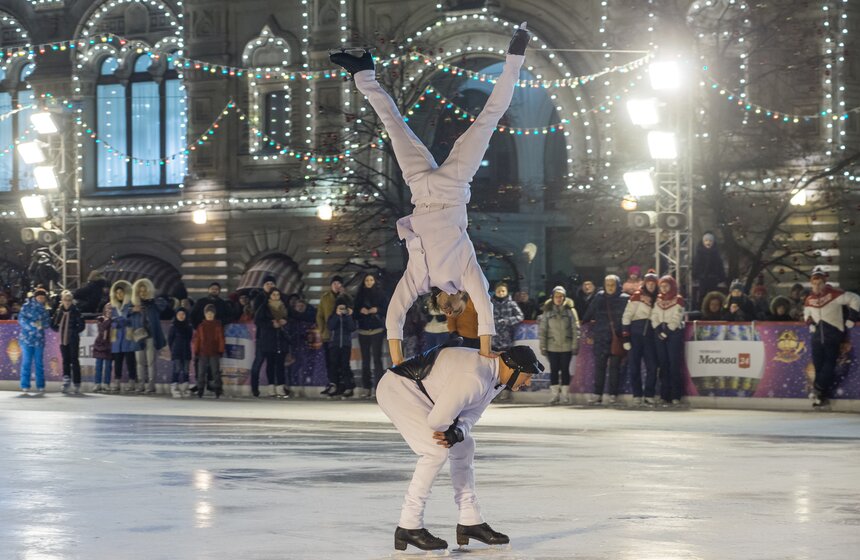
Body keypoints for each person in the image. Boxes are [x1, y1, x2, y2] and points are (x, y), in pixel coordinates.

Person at [331, 23, 531, 366]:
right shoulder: (469, 274)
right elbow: (486, 312)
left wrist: (396, 364)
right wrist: (485, 355)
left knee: (394, 127)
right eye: (455, 311)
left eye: (444, 312)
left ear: (439, 306)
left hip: (420, 191)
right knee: (486, 120)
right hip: (453, 188)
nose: (448, 310)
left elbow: (394, 315)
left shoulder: (419, 280)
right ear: (461, 304)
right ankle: (515, 56)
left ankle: (364, 72)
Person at [376, 343, 544, 552]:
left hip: (421, 393)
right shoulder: (474, 377)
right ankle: (409, 525)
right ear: (512, 368)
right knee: (434, 451)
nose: (528, 382)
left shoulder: (497, 378)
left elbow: (473, 412)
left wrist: (459, 432)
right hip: (398, 389)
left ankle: (470, 520)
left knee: (465, 446)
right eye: (527, 375)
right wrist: (451, 432)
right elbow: (437, 421)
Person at [803, 267, 860, 408]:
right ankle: (821, 397)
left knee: (829, 365)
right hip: (816, 338)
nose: (817, 285)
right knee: (819, 367)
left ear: (824, 282)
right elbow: (806, 312)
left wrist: (852, 318)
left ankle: (818, 389)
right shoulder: (809, 298)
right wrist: (810, 323)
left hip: (832, 335)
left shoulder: (834, 294)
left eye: (819, 282)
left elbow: (855, 299)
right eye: (814, 283)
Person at [581, 275, 629, 405]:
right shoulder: (599, 297)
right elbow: (588, 314)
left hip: (616, 338)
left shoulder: (625, 299)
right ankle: (598, 394)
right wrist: (585, 326)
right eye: (608, 285)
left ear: (618, 285)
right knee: (599, 367)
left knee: (614, 368)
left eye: (613, 284)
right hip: (601, 337)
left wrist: (626, 336)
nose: (610, 287)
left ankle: (613, 394)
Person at [621, 271, 659, 406]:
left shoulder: (659, 298)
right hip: (635, 334)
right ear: (645, 284)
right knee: (634, 366)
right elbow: (626, 316)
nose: (651, 286)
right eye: (648, 283)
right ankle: (637, 394)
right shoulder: (637, 296)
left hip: (650, 336)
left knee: (652, 367)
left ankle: (649, 393)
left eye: (653, 283)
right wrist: (625, 337)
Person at [539, 286, 579, 405]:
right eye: (556, 296)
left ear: (564, 298)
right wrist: (543, 346)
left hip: (566, 345)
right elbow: (543, 330)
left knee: (565, 370)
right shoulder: (547, 311)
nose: (559, 298)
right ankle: (555, 395)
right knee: (554, 370)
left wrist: (575, 344)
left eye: (561, 296)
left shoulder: (570, 310)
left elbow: (575, 329)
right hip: (552, 346)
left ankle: (565, 395)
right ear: (552, 297)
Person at [129, 278, 168, 394]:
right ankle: (141, 384)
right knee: (139, 361)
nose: (142, 293)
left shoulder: (155, 303)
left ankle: (150, 385)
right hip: (138, 336)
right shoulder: (133, 305)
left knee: (150, 361)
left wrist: (152, 299)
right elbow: (126, 315)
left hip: (151, 336)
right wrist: (133, 310)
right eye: (140, 291)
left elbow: (165, 305)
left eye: (144, 291)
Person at [652, 275, 686, 407]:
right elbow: (654, 315)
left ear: (672, 286)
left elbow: (677, 317)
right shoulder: (658, 299)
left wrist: (667, 332)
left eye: (667, 285)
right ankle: (664, 395)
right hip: (660, 332)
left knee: (674, 365)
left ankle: (676, 395)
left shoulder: (678, 299)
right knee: (663, 365)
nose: (664, 288)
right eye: (662, 286)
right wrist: (657, 330)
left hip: (673, 333)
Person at [353, 273, 387, 398]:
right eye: (367, 280)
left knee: (377, 360)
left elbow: (386, 309)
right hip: (363, 330)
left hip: (377, 330)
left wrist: (376, 310)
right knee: (365, 361)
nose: (369, 282)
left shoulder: (381, 294)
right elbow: (354, 314)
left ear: (374, 281)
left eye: (371, 280)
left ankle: (378, 388)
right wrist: (360, 311)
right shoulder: (359, 295)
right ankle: (366, 388)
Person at [317, 275, 352, 395]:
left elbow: (353, 311)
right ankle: (333, 384)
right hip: (329, 335)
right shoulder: (325, 298)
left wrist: (346, 298)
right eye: (334, 283)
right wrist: (322, 330)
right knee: (331, 362)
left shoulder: (346, 297)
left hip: (344, 336)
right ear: (331, 285)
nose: (337, 286)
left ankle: (344, 385)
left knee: (343, 363)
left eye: (339, 283)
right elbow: (320, 315)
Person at [254, 288, 291, 398]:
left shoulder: (284, 307)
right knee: (270, 363)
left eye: (277, 294)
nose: (276, 296)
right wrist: (271, 324)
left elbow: (292, 316)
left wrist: (286, 321)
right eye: (273, 294)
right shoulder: (264, 307)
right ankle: (271, 387)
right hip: (269, 339)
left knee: (280, 364)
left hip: (281, 339)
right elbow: (258, 321)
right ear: (270, 296)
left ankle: (280, 387)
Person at [51, 290, 86, 394]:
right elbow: (53, 324)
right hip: (63, 338)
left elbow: (82, 325)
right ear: (62, 300)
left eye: (69, 300)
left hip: (73, 339)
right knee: (65, 360)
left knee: (74, 359)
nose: (67, 302)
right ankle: (66, 380)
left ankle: (77, 382)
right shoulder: (59, 312)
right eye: (65, 300)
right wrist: (59, 329)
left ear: (72, 301)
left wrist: (74, 332)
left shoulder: (76, 311)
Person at [18, 287, 51, 394]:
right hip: (27, 339)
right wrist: (32, 325)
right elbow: (21, 319)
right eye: (39, 297)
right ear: (36, 297)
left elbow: (47, 323)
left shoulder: (45, 309)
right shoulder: (27, 306)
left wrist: (41, 325)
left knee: (39, 363)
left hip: (39, 340)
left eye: (43, 297)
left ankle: (40, 385)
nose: (41, 299)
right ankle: (25, 385)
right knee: (26, 362)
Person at [249, 276, 278, 396]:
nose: (270, 285)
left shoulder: (278, 297)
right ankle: (254, 387)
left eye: (272, 283)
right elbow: (257, 319)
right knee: (258, 362)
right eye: (267, 283)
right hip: (263, 336)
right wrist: (271, 324)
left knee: (272, 363)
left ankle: (271, 387)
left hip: (275, 336)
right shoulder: (259, 299)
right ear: (263, 285)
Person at [109, 280, 138, 393]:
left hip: (127, 337)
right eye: (117, 293)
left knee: (130, 360)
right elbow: (113, 321)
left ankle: (132, 381)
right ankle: (117, 381)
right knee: (118, 361)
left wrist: (120, 320)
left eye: (121, 292)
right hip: (117, 338)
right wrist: (121, 320)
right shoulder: (113, 307)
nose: (119, 295)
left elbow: (129, 320)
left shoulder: (129, 305)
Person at [326, 295, 357, 398]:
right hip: (334, 344)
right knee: (333, 364)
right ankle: (334, 385)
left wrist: (348, 315)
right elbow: (330, 326)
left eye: (344, 308)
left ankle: (348, 387)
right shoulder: (333, 315)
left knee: (345, 365)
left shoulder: (349, 316)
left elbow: (352, 328)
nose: (342, 310)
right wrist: (336, 315)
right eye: (340, 308)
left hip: (346, 344)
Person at [193, 304, 225, 399]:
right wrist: (196, 351)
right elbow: (197, 339)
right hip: (203, 352)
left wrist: (220, 350)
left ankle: (218, 389)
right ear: (205, 315)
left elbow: (221, 339)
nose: (209, 315)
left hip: (214, 352)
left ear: (214, 314)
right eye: (208, 313)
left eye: (211, 313)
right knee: (201, 372)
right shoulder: (201, 326)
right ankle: (200, 389)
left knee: (215, 372)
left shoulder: (218, 325)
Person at [692, 231, 727, 308]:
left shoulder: (716, 253)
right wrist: (696, 276)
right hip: (702, 279)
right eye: (706, 240)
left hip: (713, 279)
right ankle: (701, 310)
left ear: (713, 242)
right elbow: (695, 266)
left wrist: (721, 277)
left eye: (710, 241)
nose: (708, 242)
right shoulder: (699, 253)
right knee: (702, 296)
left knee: (713, 296)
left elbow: (720, 266)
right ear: (703, 241)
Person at [491, 282, 524, 352]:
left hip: (508, 338)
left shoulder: (512, 303)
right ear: (495, 292)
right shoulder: (490, 303)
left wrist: (507, 321)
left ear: (507, 291)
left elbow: (520, 316)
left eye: (503, 291)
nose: (501, 293)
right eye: (498, 291)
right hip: (493, 338)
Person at [168, 308, 193, 398]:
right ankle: (174, 388)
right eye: (179, 314)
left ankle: (185, 388)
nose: (181, 316)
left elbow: (190, 338)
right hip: (177, 351)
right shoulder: (173, 327)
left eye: (183, 314)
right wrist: (173, 350)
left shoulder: (189, 327)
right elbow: (170, 340)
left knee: (186, 370)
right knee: (177, 369)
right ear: (176, 315)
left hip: (186, 351)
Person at [92, 303, 113, 393]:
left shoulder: (114, 321)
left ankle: (106, 383)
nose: (109, 311)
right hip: (100, 344)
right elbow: (102, 328)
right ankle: (97, 383)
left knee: (108, 366)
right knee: (98, 365)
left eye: (111, 309)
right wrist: (108, 321)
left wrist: (110, 320)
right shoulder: (100, 319)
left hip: (109, 344)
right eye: (107, 309)